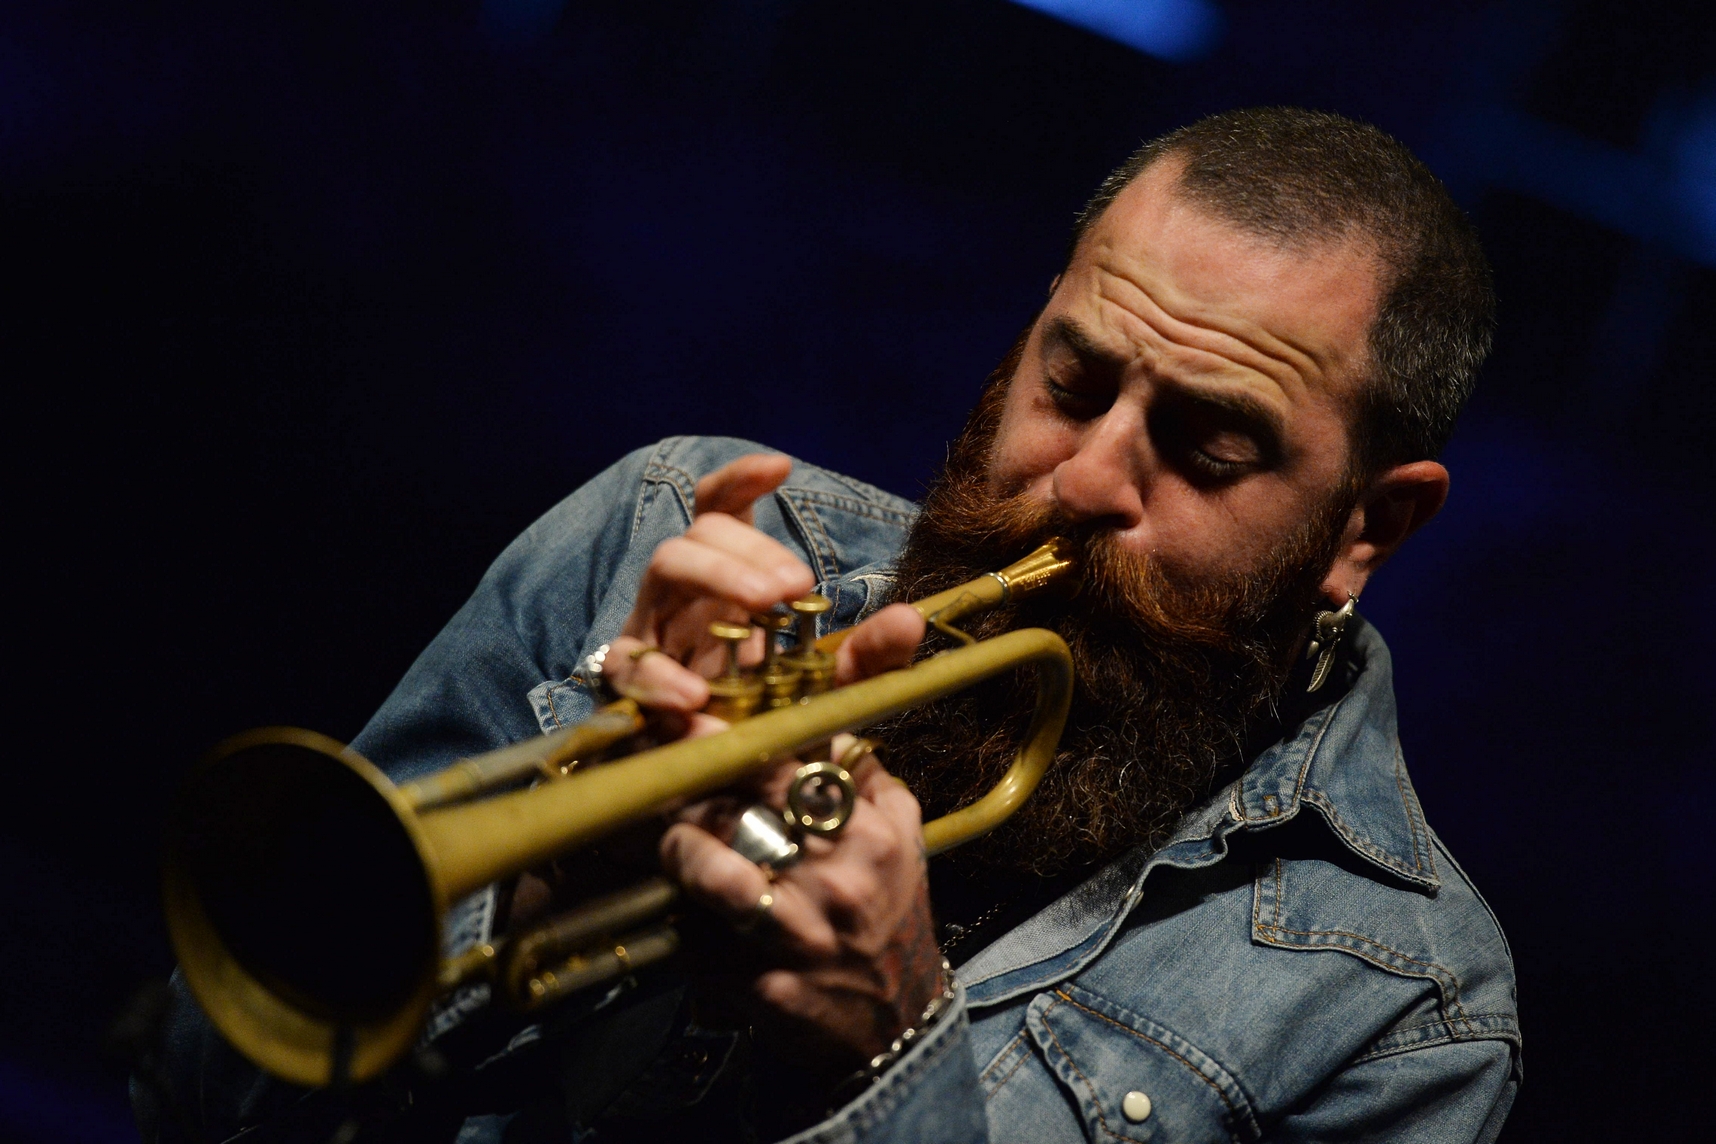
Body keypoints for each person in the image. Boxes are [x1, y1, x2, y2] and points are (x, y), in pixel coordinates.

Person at [138, 107, 1520, 1143]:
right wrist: (547, 886)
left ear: (1368, 527)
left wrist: (891, 1056)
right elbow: (199, 1084)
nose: (1089, 475)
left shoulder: (1405, 1013)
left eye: (1208, 447)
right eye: (1074, 378)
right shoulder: (668, 534)